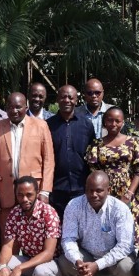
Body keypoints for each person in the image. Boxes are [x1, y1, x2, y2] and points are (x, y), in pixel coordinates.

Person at [56, 171, 137, 276]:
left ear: (108, 190)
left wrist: (97, 265)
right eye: (90, 190)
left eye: (99, 191)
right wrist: (78, 261)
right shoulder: (74, 205)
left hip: (115, 257)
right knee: (65, 261)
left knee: (126, 267)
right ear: (85, 190)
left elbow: (124, 246)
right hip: (88, 255)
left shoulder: (120, 209)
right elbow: (68, 238)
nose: (94, 195)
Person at [0, 92, 55, 236]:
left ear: (26, 106)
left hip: (33, 193)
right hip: (6, 193)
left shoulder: (41, 126)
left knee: (34, 237)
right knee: (9, 239)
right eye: (10, 107)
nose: (14, 110)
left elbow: (48, 161)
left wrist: (45, 191)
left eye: (18, 107)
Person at [0, 177, 63, 276]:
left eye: (29, 195)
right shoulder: (15, 213)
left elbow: (48, 254)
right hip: (31, 260)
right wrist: (3, 267)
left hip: (53, 263)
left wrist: (19, 268)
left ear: (37, 193)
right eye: (20, 195)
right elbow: (8, 245)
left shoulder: (49, 213)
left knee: (41, 271)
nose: (24, 199)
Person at [84, 107, 139, 242]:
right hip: (105, 194)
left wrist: (129, 194)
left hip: (128, 193)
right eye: (110, 120)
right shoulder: (97, 144)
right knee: (107, 227)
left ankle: (130, 260)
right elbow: (94, 172)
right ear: (104, 122)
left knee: (129, 226)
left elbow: (138, 172)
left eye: (117, 121)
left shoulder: (132, 142)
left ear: (123, 122)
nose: (113, 124)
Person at [47, 85, 96, 217]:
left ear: (76, 100)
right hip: (56, 189)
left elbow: (92, 155)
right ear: (57, 99)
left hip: (81, 188)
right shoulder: (47, 125)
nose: (67, 100)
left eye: (70, 97)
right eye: (63, 97)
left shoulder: (86, 125)